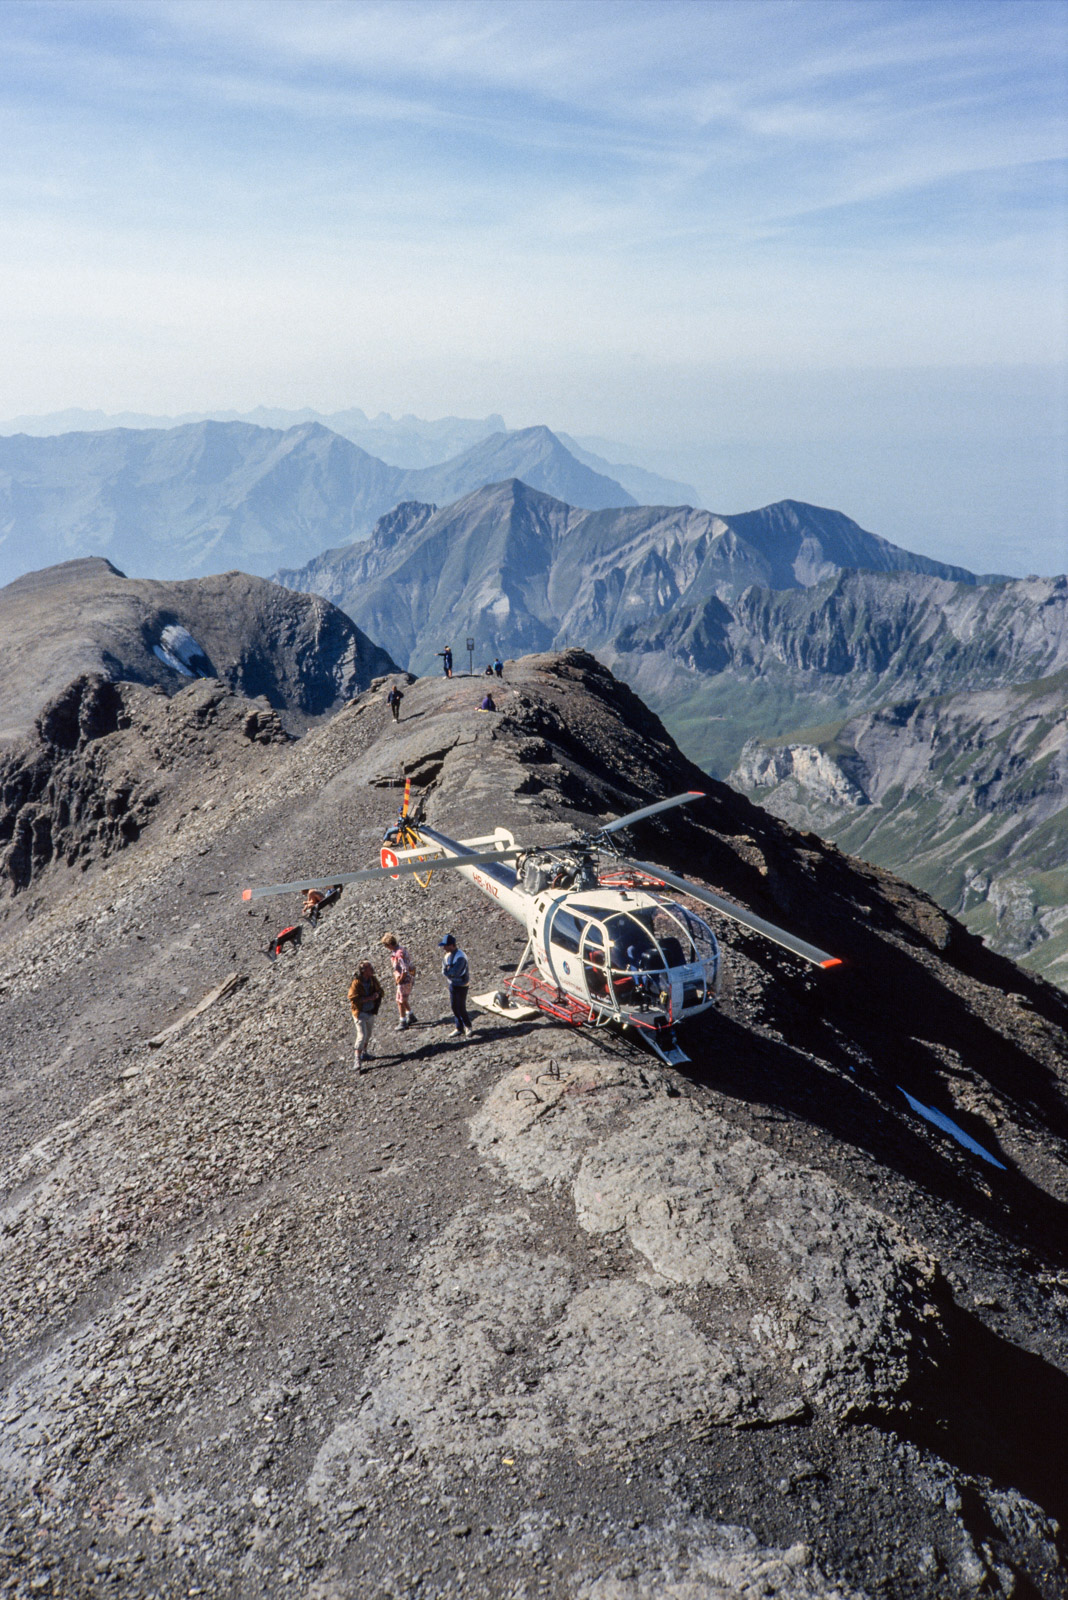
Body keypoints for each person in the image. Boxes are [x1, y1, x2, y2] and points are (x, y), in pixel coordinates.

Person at [347, 960, 384, 1071]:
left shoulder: (373, 980)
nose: (372, 969)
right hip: (360, 1013)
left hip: (370, 1012)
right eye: (369, 967)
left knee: (368, 1035)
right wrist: (369, 998)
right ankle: (357, 1059)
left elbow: (381, 990)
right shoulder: (356, 983)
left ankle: (364, 1053)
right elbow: (352, 997)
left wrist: (377, 994)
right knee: (361, 1036)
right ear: (363, 971)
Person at [438, 933, 473, 1038]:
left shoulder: (461, 957)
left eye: (446, 945)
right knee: (454, 1006)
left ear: (452, 945)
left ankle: (468, 1026)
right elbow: (444, 971)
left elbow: (456, 972)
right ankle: (459, 1027)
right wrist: (449, 972)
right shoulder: (447, 956)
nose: (444, 948)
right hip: (453, 984)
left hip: (462, 985)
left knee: (461, 1007)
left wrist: (449, 973)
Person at [381, 931, 416, 1030]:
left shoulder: (398, 954)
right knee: (402, 998)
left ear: (390, 944)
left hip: (404, 980)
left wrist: (400, 980)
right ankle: (411, 1015)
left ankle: (403, 1021)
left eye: (386, 945)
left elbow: (404, 969)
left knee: (400, 1001)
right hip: (409, 978)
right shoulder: (401, 949)